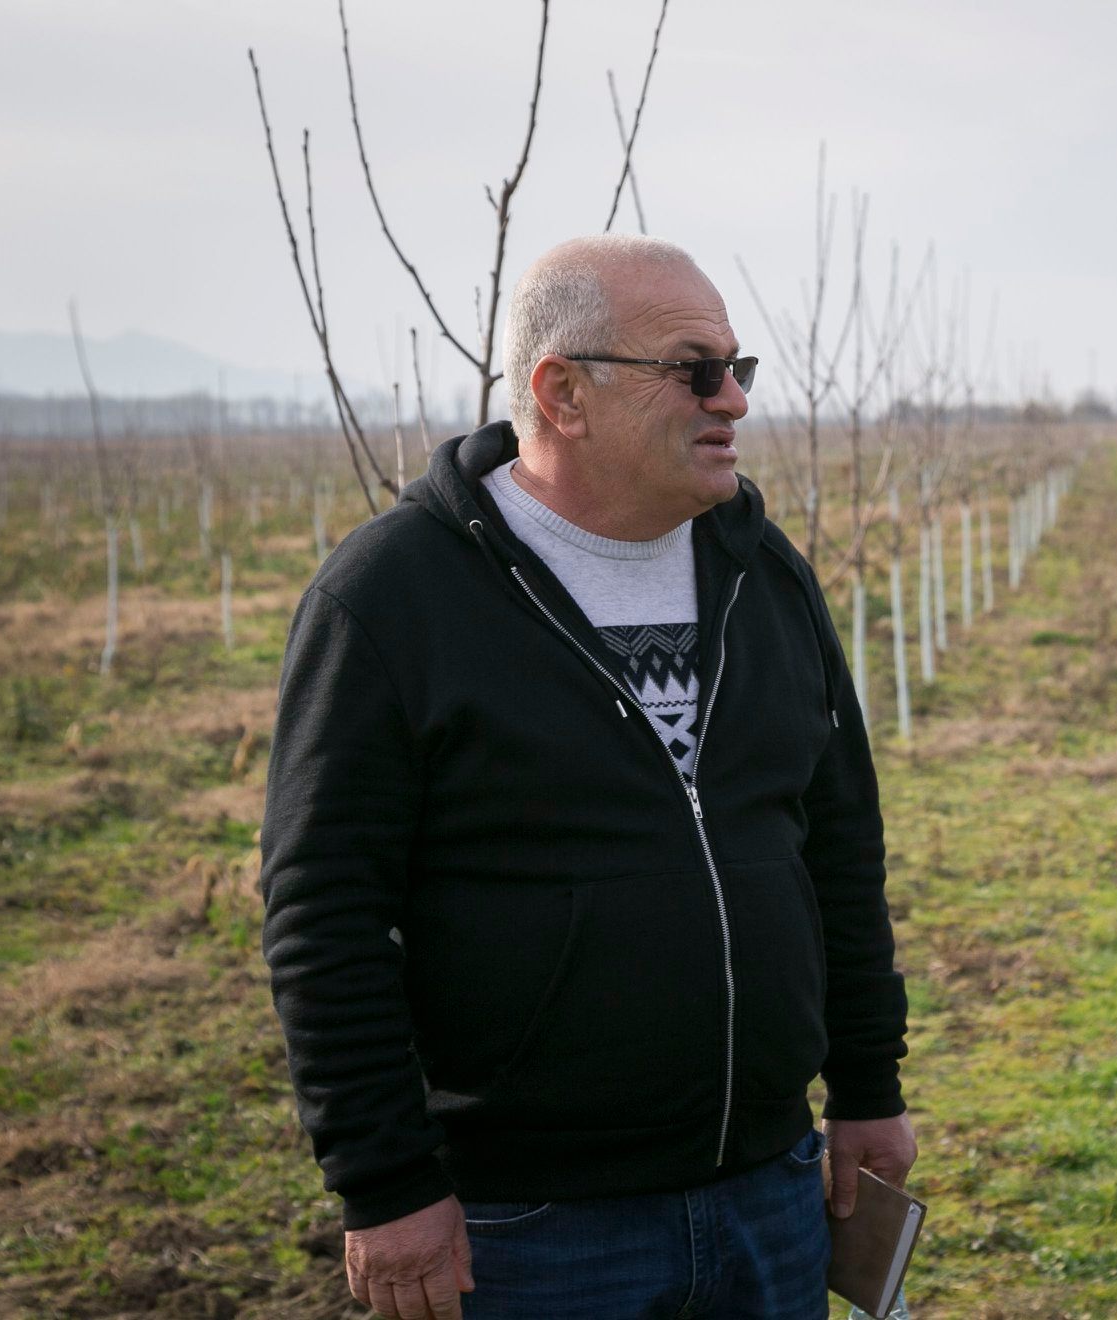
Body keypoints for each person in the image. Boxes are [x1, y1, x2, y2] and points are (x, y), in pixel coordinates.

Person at [261, 235, 914, 1320]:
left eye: (736, 368)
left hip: (771, 1189)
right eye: (693, 369)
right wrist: (386, 1183)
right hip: (527, 1229)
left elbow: (840, 849)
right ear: (562, 393)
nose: (733, 400)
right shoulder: (394, 597)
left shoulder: (762, 574)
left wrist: (868, 1084)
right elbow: (324, 915)